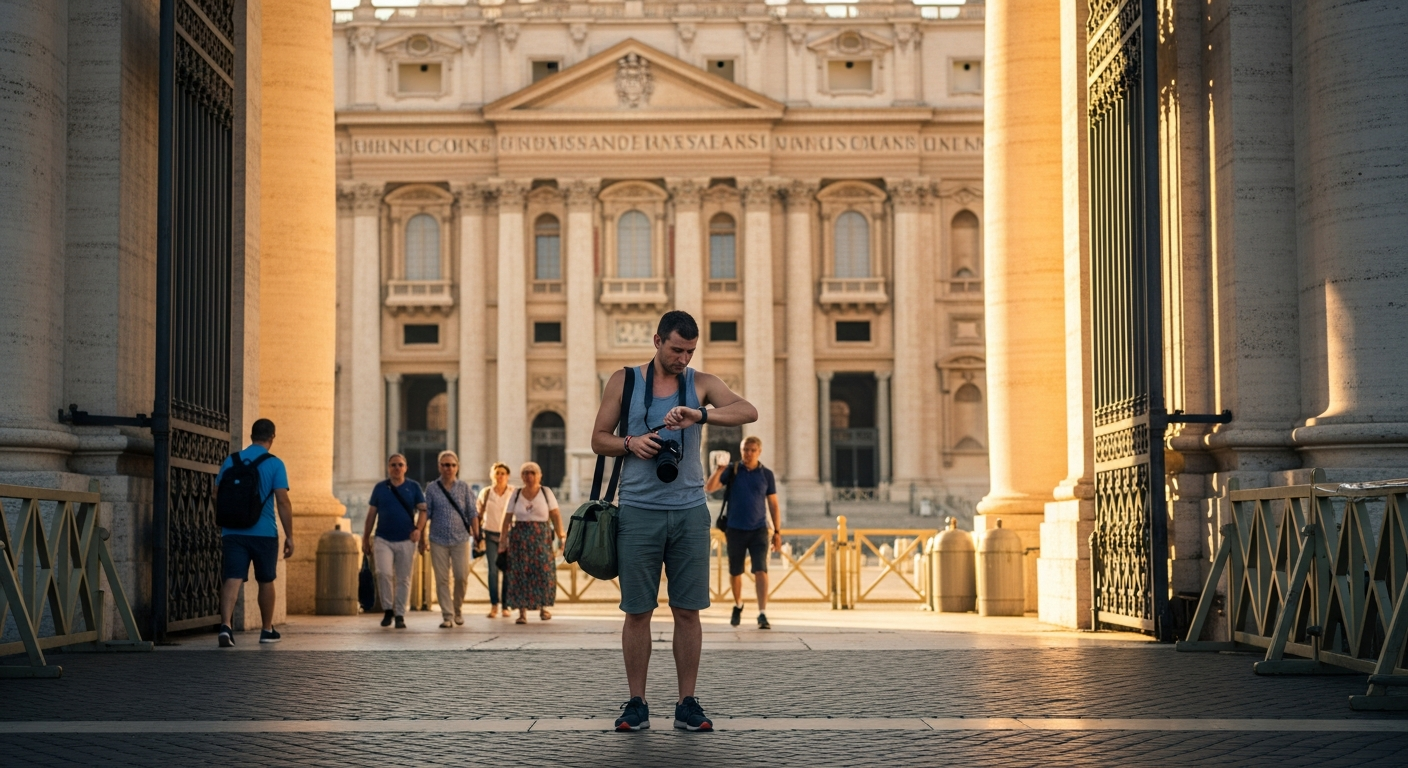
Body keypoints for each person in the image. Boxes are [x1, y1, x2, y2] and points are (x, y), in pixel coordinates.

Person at [591, 310, 757, 732]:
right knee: (637, 612)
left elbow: (747, 411)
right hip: (637, 511)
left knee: (688, 611)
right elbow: (598, 439)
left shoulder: (699, 384)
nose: (683, 358)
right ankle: (636, 702)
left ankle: (687, 702)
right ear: (657, 341)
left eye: (689, 351)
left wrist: (699, 414)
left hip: (688, 511)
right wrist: (632, 443)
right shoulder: (624, 381)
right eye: (676, 349)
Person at [216, 418, 293, 647]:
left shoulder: (231, 460)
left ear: (251, 436)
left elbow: (216, 493)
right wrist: (290, 535)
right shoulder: (275, 464)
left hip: (232, 531)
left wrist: (225, 521)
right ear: (272, 437)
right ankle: (267, 630)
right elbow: (283, 501)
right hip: (264, 532)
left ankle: (225, 626)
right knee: (266, 579)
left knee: (233, 577)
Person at [705, 436, 781, 630]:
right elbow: (710, 488)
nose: (748, 453)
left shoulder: (767, 475)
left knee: (761, 570)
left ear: (759, 452)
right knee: (735, 571)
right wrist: (719, 469)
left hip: (759, 530)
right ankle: (738, 604)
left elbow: (773, 504)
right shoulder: (733, 470)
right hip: (735, 529)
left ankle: (762, 612)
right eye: (745, 449)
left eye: (752, 450)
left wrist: (778, 532)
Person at [362, 453, 428, 629]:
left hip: (406, 539)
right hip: (383, 538)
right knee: (383, 574)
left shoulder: (413, 487)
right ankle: (387, 610)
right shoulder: (380, 488)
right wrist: (365, 538)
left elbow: (423, 510)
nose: (397, 468)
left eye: (400, 465)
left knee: (404, 578)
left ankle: (399, 614)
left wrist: (419, 530)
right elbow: (371, 515)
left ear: (405, 468)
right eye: (393, 465)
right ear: (388, 468)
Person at [502, 461, 564, 624]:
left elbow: (555, 515)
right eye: (526, 473)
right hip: (519, 538)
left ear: (539, 475)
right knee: (520, 573)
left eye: (532, 473)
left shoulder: (546, 492)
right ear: (522, 476)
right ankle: (522, 612)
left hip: (541, 537)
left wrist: (561, 536)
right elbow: (507, 518)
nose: (529, 476)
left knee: (543, 571)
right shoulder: (516, 494)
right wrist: (502, 540)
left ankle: (544, 608)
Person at [425, 450, 479, 628]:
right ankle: (447, 616)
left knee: (461, 576)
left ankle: (457, 609)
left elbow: (472, 513)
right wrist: (421, 536)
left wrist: (477, 536)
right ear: (439, 467)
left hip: (460, 539)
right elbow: (427, 513)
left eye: (452, 465)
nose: (449, 468)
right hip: (437, 539)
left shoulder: (464, 487)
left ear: (457, 467)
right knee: (441, 579)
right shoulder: (432, 488)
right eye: (445, 465)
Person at [476, 462, 515, 617]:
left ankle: (506, 605)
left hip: (508, 536)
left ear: (508, 476)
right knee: (492, 571)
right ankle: (494, 605)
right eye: (497, 473)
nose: (500, 476)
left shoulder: (513, 492)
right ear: (492, 475)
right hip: (490, 534)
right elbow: (478, 514)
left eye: (503, 473)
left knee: (507, 570)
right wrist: (477, 536)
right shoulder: (486, 493)